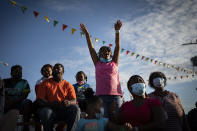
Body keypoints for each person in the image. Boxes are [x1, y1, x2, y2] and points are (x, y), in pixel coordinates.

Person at [80, 20, 123, 118]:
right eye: (102, 51)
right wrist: (87, 34)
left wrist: (117, 31)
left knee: (116, 119)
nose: (106, 52)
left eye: (108, 50)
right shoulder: (97, 63)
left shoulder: (114, 62)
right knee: (103, 121)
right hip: (101, 97)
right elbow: (91, 48)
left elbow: (117, 47)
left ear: (110, 54)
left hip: (115, 96)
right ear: (99, 55)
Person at [35, 63, 80, 131]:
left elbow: (74, 100)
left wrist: (69, 102)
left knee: (76, 108)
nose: (55, 70)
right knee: (45, 111)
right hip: (50, 111)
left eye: (58, 68)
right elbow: (39, 100)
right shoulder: (44, 83)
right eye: (54, 69)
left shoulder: (68, 85)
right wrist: (50, 104)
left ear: (63, 72)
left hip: (64, 111)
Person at [3, 65, 32, 131]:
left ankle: (25, 126)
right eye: (17, 71)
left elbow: (25, 94)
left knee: (28, 102)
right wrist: (6, 100)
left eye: (20, 72)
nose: (19, 73)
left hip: (18, 103)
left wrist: (14, 101)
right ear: (11, 73)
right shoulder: (4, 81)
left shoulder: (25, 82)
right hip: (5, 103)